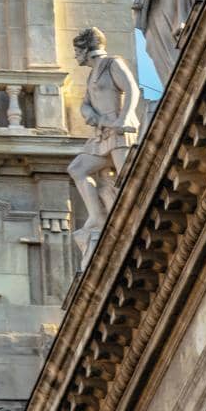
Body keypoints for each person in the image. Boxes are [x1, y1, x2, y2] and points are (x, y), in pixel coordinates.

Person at [67, 26, 140, 264]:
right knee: (77, 168)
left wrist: (125, 118)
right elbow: (86, 103)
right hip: (102, 133)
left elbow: (131, 90)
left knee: (126, 178)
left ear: (87, 49)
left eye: (77, 50)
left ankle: (134, 219)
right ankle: (98, 217)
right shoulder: (92, 74)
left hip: (119, 131)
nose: (75, 55)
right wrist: (90, 114)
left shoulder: (112, 63)